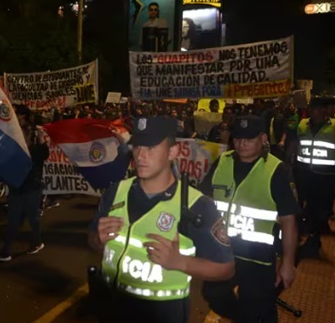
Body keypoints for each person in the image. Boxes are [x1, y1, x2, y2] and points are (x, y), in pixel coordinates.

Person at [89, 116, 234, 323]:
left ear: (172, 152)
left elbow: (226, 268)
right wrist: (98, 239)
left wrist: (180, 262)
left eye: (151, 147)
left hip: (163, 314)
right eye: (137, 146)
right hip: (112, 306)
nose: (140, 155)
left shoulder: (196, 205)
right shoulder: (115, 192)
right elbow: (93, 239)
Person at [199, 115, 300, 323]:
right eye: (237, 138)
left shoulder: (277, 171)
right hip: (223, 253)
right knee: (214, 294)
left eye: (248, 138)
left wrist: (287, 263)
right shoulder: (223, 162)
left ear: (263, 138)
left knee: (258, 308)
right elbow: (205, 200)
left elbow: (289, 220)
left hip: (258, 259)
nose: (241, 143)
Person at [0, 105, 49, 261]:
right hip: (17, 184)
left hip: (31, 184)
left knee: (32, 217)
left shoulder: (36, 141)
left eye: (16, 114)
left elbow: (43, 154)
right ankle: (6, 250)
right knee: (15, 218)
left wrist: (41, 141)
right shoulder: (13, 138)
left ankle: (36, 242)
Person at [294, 97, 335, 257]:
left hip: (325, 176)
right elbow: (295, 145)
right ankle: (305, 236)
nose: (313, 112)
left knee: (320, 208)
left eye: (316, 109)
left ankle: (314, 238)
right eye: (311, 109)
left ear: (323, 111)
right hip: (304, 173)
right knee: (302, 205)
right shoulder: (302, 124)